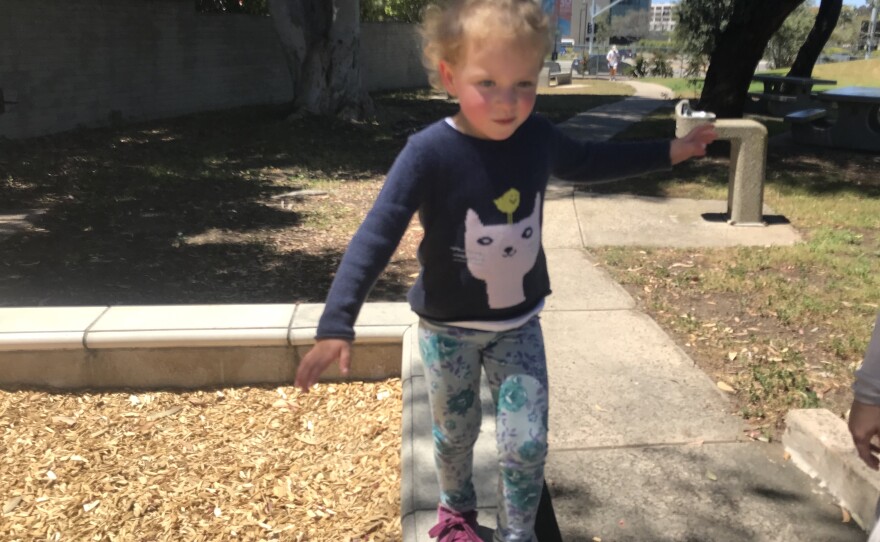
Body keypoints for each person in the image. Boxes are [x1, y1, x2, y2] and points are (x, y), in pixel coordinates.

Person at [293, 1, 716, 540]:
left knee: (527, 443)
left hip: (518, 327)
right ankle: (456, 514)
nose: (507, 101)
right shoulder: (427, 153)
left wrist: (671, 151)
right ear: (449, 77)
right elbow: (376, 235)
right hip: (447, 331)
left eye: (523, 83)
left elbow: (589, 162)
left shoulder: (537, 137)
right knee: (454, 436)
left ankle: (519, 533)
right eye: (487, 82)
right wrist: (336, 324)